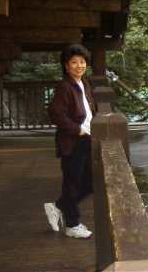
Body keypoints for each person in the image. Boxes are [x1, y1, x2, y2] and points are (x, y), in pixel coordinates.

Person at [44, 44, 96, 239]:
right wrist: (78, 130)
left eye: (82, 62)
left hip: (87, 138)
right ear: (66, 66)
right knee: (72, 183)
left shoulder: (85, 83)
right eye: (74, 62)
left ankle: (58, 206)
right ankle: (72, 225)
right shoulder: (64, 86)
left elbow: (89, 110)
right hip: (74, 141)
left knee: (90, 183)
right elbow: (55, 114)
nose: (79, 65)